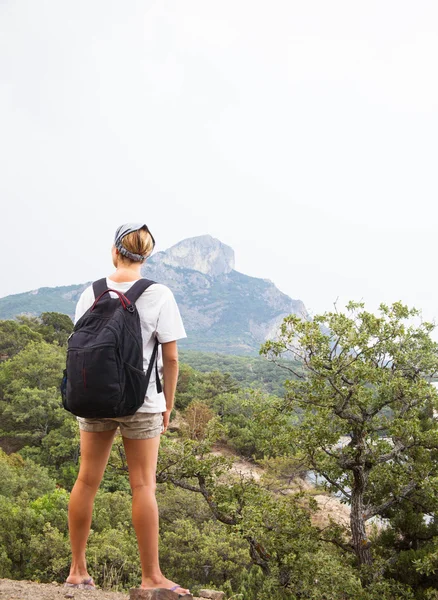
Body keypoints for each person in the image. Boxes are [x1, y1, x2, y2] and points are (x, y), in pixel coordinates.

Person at [64, 223, 190, 595]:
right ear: (146, 256)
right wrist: (168, 405)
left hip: (94, 395)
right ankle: (151, 577)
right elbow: (171, 357)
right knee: (143, 485)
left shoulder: (91, 291)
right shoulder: (159, 294)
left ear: (114, 251)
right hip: (142, 401)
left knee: (86, 480)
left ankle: (76, 570)